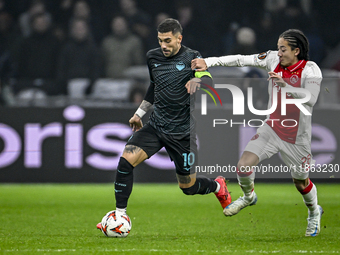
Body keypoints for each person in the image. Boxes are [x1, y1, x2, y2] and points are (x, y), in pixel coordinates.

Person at [97, 18, 231, 229]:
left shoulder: (192, 57)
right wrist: (139, 113)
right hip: (156, 126)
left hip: (182, 133)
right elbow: (154, 87)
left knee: (188, 187)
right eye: (160, 41)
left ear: (179, 38)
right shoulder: (153, 57)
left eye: (168, 41)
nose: (163, 46)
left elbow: (209, 82)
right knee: (125, 162)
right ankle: (119, 215)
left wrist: (198, 80)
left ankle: (217, 186)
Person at [191, 29, 323, 237]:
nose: (278, 53)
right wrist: (209, 62)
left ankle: (314, 212)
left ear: (296, 51)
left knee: (301, 182)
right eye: (278, 48)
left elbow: (311, 98)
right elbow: (242, 59)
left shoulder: (310, 69)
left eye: (283, 49)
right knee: (243, 167)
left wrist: (285, 85)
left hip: (297, 137)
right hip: (271, 128)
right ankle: (249, 196)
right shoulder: (272, 60)